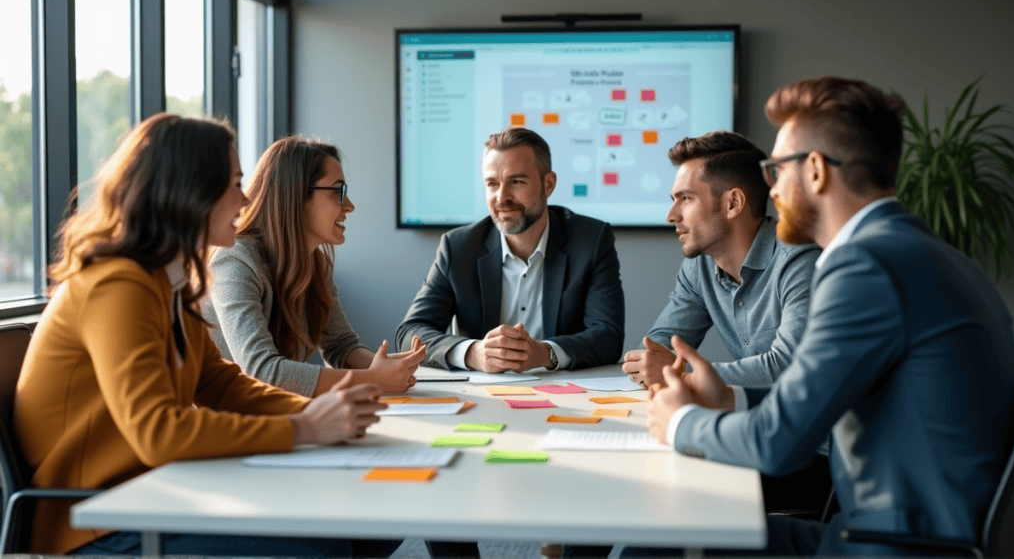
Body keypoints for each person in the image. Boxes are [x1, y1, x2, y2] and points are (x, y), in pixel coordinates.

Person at [643, 76, 1014, 556]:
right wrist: (733, 397)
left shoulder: (866, 265)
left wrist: (680, 422)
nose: (771, 190)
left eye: (776, 171)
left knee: (665, 538)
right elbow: (814, 399)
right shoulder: (921, 252)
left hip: (898, 545)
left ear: (816, 170)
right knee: (671, 533)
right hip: (907, 534)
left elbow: (779, 443)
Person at [14, 114, 390, 557]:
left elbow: (220, 383)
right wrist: (304, 425)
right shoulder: (115, 286)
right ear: (190, 193)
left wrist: (329, 419)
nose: (246, 198)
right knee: (322, 548)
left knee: (371, 531)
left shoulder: (169, 283)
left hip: (156, 492)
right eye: (234, 184)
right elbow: (158, 431)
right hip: (95, 519)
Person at [202, 136, 424, 397]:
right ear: (295, 195)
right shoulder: (234, 260)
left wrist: (392, 369)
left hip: (277, 415)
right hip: (232, 425)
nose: (349, 206)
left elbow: (341, 346)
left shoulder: (314, 262)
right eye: (337, 191)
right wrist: (374, 380)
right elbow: (262, 371)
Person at [396, 126, 625, 373]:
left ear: (548, 184)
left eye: (516, 182)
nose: (501, 197)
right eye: (492, 184)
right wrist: (474, 353)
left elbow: (608, 336)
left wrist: (544, 353)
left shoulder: (590, 241)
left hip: (565, 393)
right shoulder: (458, 247)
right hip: (483, 395)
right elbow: (410, 333)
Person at [622, 130, 819, 389]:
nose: (671, 215)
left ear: (733, 203)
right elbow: (659, 346)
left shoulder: (799, 261)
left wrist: (681, 374)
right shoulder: (699, 267)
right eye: (673, 200)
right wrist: (650, 361)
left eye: (686, 199)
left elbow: (790, 366)